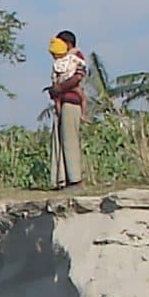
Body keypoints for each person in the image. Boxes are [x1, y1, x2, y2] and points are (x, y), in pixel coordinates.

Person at [47, 31, 87, 190]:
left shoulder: (76, 57)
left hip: (71, 101)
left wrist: (59, 88)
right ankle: (62, 179)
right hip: (63, 101)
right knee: (59, 139)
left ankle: (75, 179)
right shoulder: (61, 61)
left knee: (69, 139)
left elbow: (77, 78)